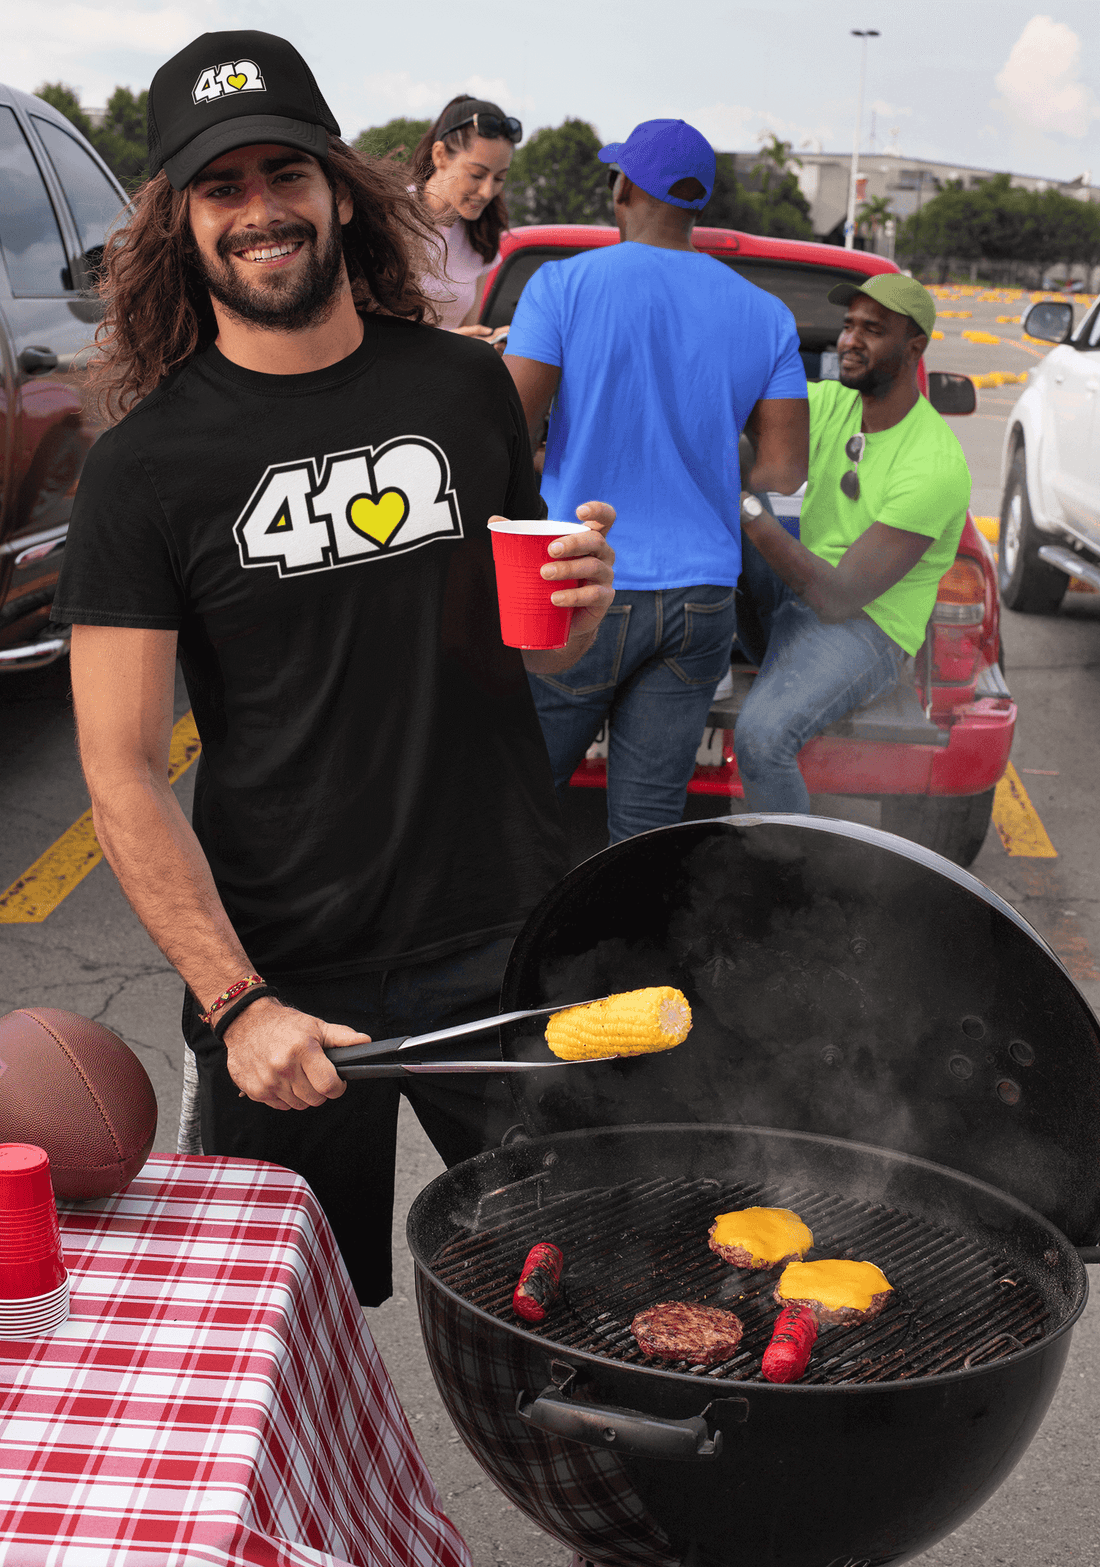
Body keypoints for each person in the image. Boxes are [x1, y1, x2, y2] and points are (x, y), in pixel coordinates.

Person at [51, 28, 615, 1308]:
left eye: (282, 173)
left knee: (574, 1290)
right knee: (279, 1331)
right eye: (221, 187)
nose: (259, 210)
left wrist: (579, 608)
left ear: (337, 188)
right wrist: (235, 999)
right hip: (286, 973)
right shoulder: (145, 470)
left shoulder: (464, 395)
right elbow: (121, 772)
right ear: (182, 224)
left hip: (503, 935)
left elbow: (533, 638)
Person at [504, 119, 808, 844]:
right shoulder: (766, 316)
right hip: (704, 598)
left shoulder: (563, 287)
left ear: (627, 189)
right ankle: (626, 953)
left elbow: (505, 430)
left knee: (519, 797)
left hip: (583, 584)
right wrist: (702, 458)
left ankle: (503, 948)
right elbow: (784, 471)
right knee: (646, 827)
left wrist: (554, 459)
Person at [733, 273, 971, 814]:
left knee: (762, 740)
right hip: (795, 602)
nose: (849, 341)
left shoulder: (933, 464)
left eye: (872, 329)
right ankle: (668, 646)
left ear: (914, 348)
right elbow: (741, 405)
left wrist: (743, 506)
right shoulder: (834, 403)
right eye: (847, 326)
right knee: (726, 446)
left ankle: (784, 884)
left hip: (865, 630)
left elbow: (839, 598)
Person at [412, 95, 521, 344]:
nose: (487, 191)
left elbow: (468, 333)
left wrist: (487, 344)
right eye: (477, 174)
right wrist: (447, 343)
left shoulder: (481, 239)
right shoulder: (388, 218)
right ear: (440, 155)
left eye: (499, 178)